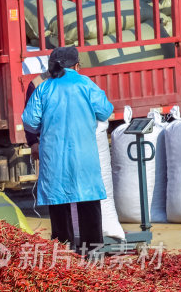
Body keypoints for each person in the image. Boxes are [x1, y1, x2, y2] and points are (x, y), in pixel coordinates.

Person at [22, 46, 113, 253]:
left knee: (58, 201)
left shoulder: (43, 87)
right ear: (77, 65)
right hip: (84, 155)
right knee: (88, 201)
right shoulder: (86, 84)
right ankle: (93, 254)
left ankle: (63, 255)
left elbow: (29, 121)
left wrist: (42, 130)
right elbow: (105, 110)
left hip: (54, 156)